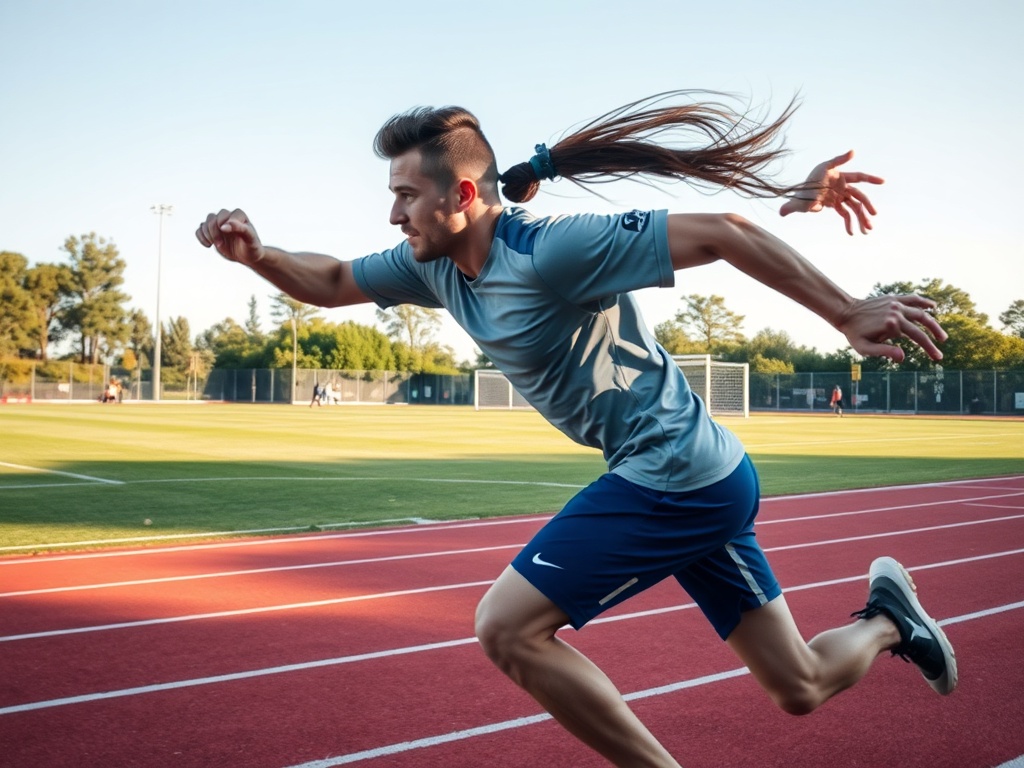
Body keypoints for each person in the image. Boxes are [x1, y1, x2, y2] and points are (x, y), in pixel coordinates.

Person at [196, 91, 955, 767]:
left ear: (460, 193)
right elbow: (330, 283)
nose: (392, 214)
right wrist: (258, 256)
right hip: (704, 476)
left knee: (506, 628)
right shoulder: (431, 266)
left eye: (403, 195)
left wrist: (847, 311)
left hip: (674, 470)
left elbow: (725, 229)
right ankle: (891, 622)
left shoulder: (554, 251)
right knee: (800, 684)